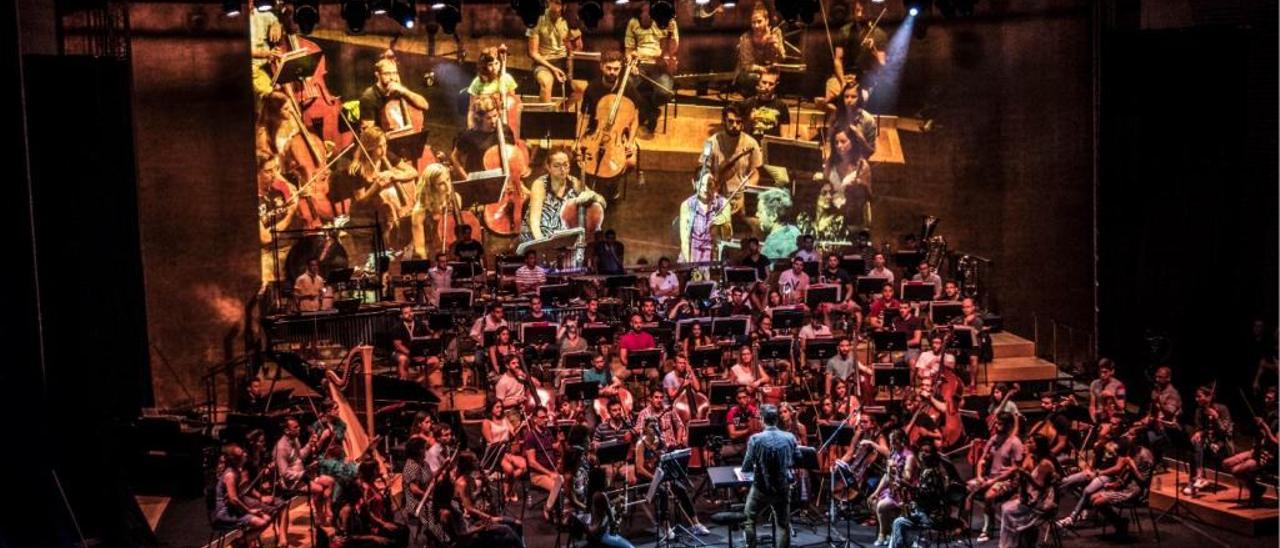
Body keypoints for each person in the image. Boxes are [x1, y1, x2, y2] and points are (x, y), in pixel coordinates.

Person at [700, 103, 764, 239]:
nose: (735, 125)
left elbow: (755, 173)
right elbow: (703, 169)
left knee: (755, 228)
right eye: (730, 121)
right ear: (724, 121)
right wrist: (710, 185)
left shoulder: (752, 143)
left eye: (738, 122)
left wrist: (744, 194)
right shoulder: (710, 142)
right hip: (718, 194)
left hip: (742, 197)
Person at [521, 147, 606, 245]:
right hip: (538, 237)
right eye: (557, 165)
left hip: (563, 239)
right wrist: (544, 246)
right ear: (548, 167)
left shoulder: (574, 182)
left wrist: (594, 196)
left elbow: (603, 203)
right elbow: (534, 222)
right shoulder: (540, 185)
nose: (562, 169)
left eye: (566, 165)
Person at [741, 404, 798, 548]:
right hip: (782, 486)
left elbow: (746, 467)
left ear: (762, 419)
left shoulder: (755, 439)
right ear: (777, 419)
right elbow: (797, 459)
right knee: (783, 523)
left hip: (761, 487)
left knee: (748, 519)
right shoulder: (790, 437)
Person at [624, 2, 678, 138]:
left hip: (659, 64)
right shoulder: (633, 22)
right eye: (645, 10)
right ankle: (651, 112)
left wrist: (670, 35)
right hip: (640, 63)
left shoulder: (668, 21)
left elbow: (672, 50)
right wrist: (632, 65)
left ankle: (645, 112)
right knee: (626, 87)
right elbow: (629, 50)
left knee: (665, 92)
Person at [968, 412, 1024, 543]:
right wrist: (980, 476)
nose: (997, 426)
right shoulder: (994, 439)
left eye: (1000, 424)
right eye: (997, 423)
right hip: (990, 477)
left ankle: (987, 529)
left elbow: (1015, 469)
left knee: (989, 496)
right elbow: (982, 460)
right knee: (966, 488)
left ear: (1009, 425)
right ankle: (963, 525)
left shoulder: (1015, 443)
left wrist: (993, 481)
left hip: (1007, 480)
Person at [997, 435, 1061, 548]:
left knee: (1007, 510)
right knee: (1006, 506)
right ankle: (1014, 543)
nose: (1027, 443)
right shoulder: (1033, 458)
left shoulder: (1044, 464)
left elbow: (1040, 486)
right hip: (1036, 495)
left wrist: (1025, 474)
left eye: (1031, 442)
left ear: (1038, 446)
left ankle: (1010, 545)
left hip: (1043, 501)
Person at [886, 439, 952, 548]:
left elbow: (925, 496)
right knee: (900, 520)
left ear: (933, 455)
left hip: (932, 516)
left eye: (926, 452)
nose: (922, 454)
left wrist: (907, 486)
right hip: (928, 511)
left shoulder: (932, 473)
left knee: (898, 522)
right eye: (921, 451)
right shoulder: (928, 471)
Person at [825, 0, 886, 106]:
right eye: (857, 11)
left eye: (864, 11)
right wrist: (843, 82)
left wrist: (873, 50)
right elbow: (838, 59)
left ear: (871, 12)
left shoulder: (879, 35)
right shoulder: (844, 31)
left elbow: (882, 64)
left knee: (858, 98)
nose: (860, 14)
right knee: (831, 91)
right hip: (844, 77)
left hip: (866, 79)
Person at [212, 444, 275, 539]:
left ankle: (243, 541)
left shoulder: (237, 471)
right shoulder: (230, 475)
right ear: (236, 459)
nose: (245, 454)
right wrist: (249, 510)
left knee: (267, 518)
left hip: (234, 510)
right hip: (225, 513)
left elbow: (242, 491)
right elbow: (233, 499)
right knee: (261, 522)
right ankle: (241, 542)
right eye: (242, 453)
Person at [450, 94, 518, 181]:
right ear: (479, 118)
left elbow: (513, 156)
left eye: (495, 116)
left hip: (502, 177)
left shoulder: (505, 130)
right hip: (480, 180)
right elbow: (454, 156)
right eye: (488, 118)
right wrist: (466, 178)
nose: (493, 121)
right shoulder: (470, 135)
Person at [526, 0, 583, 103]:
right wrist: (553, 68)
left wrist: (570, 63)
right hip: (544, 62)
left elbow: (577, 48)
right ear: (548, 1)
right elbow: (533, 53)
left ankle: (561, 111)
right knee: (546, 82)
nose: (559, 5)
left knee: (582, 86)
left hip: (564, 61)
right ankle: (546, 117)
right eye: (556, 2)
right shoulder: (537, 19)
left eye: (561, 3)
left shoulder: (569, 19)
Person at [865, 429, 914, 546]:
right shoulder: (893, 453)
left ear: (901, 441)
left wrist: (896, 468)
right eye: (890, 441)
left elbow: (907, 477)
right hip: (892, 490)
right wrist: (876, 492)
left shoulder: (909, 456)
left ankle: (883, 534)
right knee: (873, 501)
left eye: (894, 441)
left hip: (904, 492)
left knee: (881, 506)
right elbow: (887, 476)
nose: (891, 444)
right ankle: (889, 534)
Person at [1183, 384, 1234, 495]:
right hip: (1206, 444)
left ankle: (1195, 480)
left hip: (1221, 445)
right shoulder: (1199, 411)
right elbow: (1200, 428)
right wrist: (1198, 433)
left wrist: (1216, 418)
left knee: (1196, 448)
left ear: (1208, 397)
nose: (1196, 399)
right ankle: (1199, 477)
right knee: (1194, 444)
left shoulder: (1222, 409)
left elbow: (1226, 433)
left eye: (1199, 396)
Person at [359, 55, 430, 132]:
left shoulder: (398, 89)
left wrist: (404, 91)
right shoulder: (369, 97)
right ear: (377, 75)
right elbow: (369, 133)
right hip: (382, 140)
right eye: (387, 74)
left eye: (394, 73)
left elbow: (425, 106)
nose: (392, 78)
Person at [823, 124, 873, 231]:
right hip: (831, 211)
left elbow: (868, 195)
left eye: (843, 141)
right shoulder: (830, 162)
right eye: (836, 143)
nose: (839, 146)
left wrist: (859, 185)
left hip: (853, 215)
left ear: (852, 142)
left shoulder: (862, 166)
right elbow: (825, 184)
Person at [678, 169, 732, 264]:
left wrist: (724, 223)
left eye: (709, 184)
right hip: (691, 254)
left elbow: (728, 237)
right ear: (694, 183)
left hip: (713, 254)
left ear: (715, 185)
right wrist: (691, 264)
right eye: (701, 185)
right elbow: (685, 240)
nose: (705, 189)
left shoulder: (724, 204)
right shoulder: (687, 205)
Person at [466, 47, 521, 137]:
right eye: (490, 64)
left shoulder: (506, 78)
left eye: (496, 63)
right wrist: (471, 126)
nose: (494, 67)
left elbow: (513, 100)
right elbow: (472, 109)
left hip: (502, 118)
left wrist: (508, 99)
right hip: (484, 122)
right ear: (484, 66)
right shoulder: (478, 82)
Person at [733, 4, 786, 96]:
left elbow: (782, 58)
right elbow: (747, 65)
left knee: (773, 80)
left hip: (771, 73)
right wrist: (763, 69)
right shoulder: (746, 38)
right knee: (755, 79)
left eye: (759, 21)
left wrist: (776, 46)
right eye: (753, 22)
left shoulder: (776, 33)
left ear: (767, 21)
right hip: (749, 75)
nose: (756, 26)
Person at [522, 405, 564, 521]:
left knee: (567, 482)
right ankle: (548, 508)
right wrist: (549, 473)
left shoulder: (547, 432)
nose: (545, 420)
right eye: (542, 417)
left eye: (546, 417)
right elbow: (532, 462)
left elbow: (553, 447)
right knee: (557, 487)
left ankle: (561, 511)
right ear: (535, 419)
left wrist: (560, 442)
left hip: (552, 470)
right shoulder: (531, 437)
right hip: (538, 474)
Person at [391, 304, 439, 380]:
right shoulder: (397, 327)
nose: (409, 314)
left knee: (435, 361)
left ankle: (418, 380)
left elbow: (429, 338)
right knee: (403, 359)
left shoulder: (420, 324)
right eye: (406, 313)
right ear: (401, 316)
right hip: (402, 353)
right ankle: (403, 383)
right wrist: (412, 353)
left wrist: (436, 333)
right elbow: (398, 346)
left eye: (411, 311)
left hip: (418, 353)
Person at [743, 66, 790, 139]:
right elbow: (742, 134)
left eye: (771, 84)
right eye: (764, 82)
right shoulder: (748, 103)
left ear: (776, 84)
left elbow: (784, 136)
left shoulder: (782, 106)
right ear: (759, 82)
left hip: (772, 147)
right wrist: (749, 120)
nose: (767, 86)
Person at [1088, 358, 1127, 423]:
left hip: (1114, 419)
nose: (1102, 375)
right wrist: (1094, 420)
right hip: (1099, 417)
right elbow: (1092, 406)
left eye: (1105, 372)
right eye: (1100, 372)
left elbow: (1121, 407)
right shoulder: (1094, 384)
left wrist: (1112, 396)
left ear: (1112, 371)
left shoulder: (1119, 386)